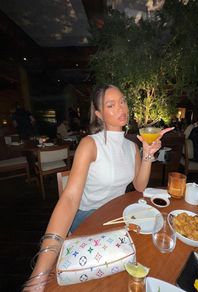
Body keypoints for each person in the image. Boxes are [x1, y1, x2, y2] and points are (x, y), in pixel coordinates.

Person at [23, 85, 174, 291]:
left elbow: (139, 186)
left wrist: (147, 153)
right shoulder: (89, 144)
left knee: (151, 258)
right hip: (88, 219)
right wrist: (39, 274)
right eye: (111, 105)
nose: (121, 108)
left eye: (122, 101)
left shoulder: (131, 146)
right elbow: (69, 201)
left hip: (117, 217)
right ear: (99, 114)